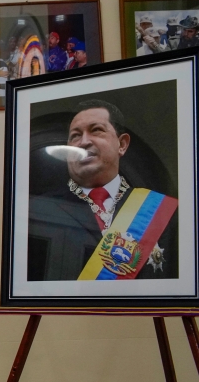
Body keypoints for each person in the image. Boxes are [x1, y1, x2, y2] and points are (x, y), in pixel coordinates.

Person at [27, 100, 177, 281]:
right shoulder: (37, 211)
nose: (83, 142)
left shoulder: (162, 212)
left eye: (96, 130)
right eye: (75, 136)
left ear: (122, 144)